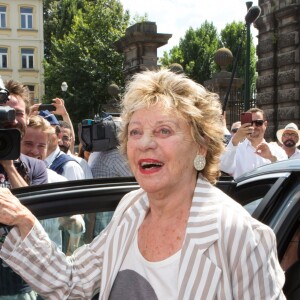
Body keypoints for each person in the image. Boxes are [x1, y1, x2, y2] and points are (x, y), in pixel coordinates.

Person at [0, 69, 286, 299]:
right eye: (135, 132)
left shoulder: (242, 237)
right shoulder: (131, 208)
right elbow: (72, 282)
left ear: (201, 147)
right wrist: (24, 221)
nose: (145, 143)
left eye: (164, 130)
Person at [0, 80, 48, 299]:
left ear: (27, 117)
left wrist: (9, 166)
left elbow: (35, 215)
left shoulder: (36, 166)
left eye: (17, 113)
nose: (11, 119)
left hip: (20, 282)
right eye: (4, 111)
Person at [220, 107, 288, 179]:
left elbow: (286, 174)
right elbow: (225, 167)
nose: (254, 126)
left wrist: (271, 158)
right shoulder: (235, 149)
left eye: (258, 123)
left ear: (265, 124)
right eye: (250, 123)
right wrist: (235, 140)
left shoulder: (278, 151)